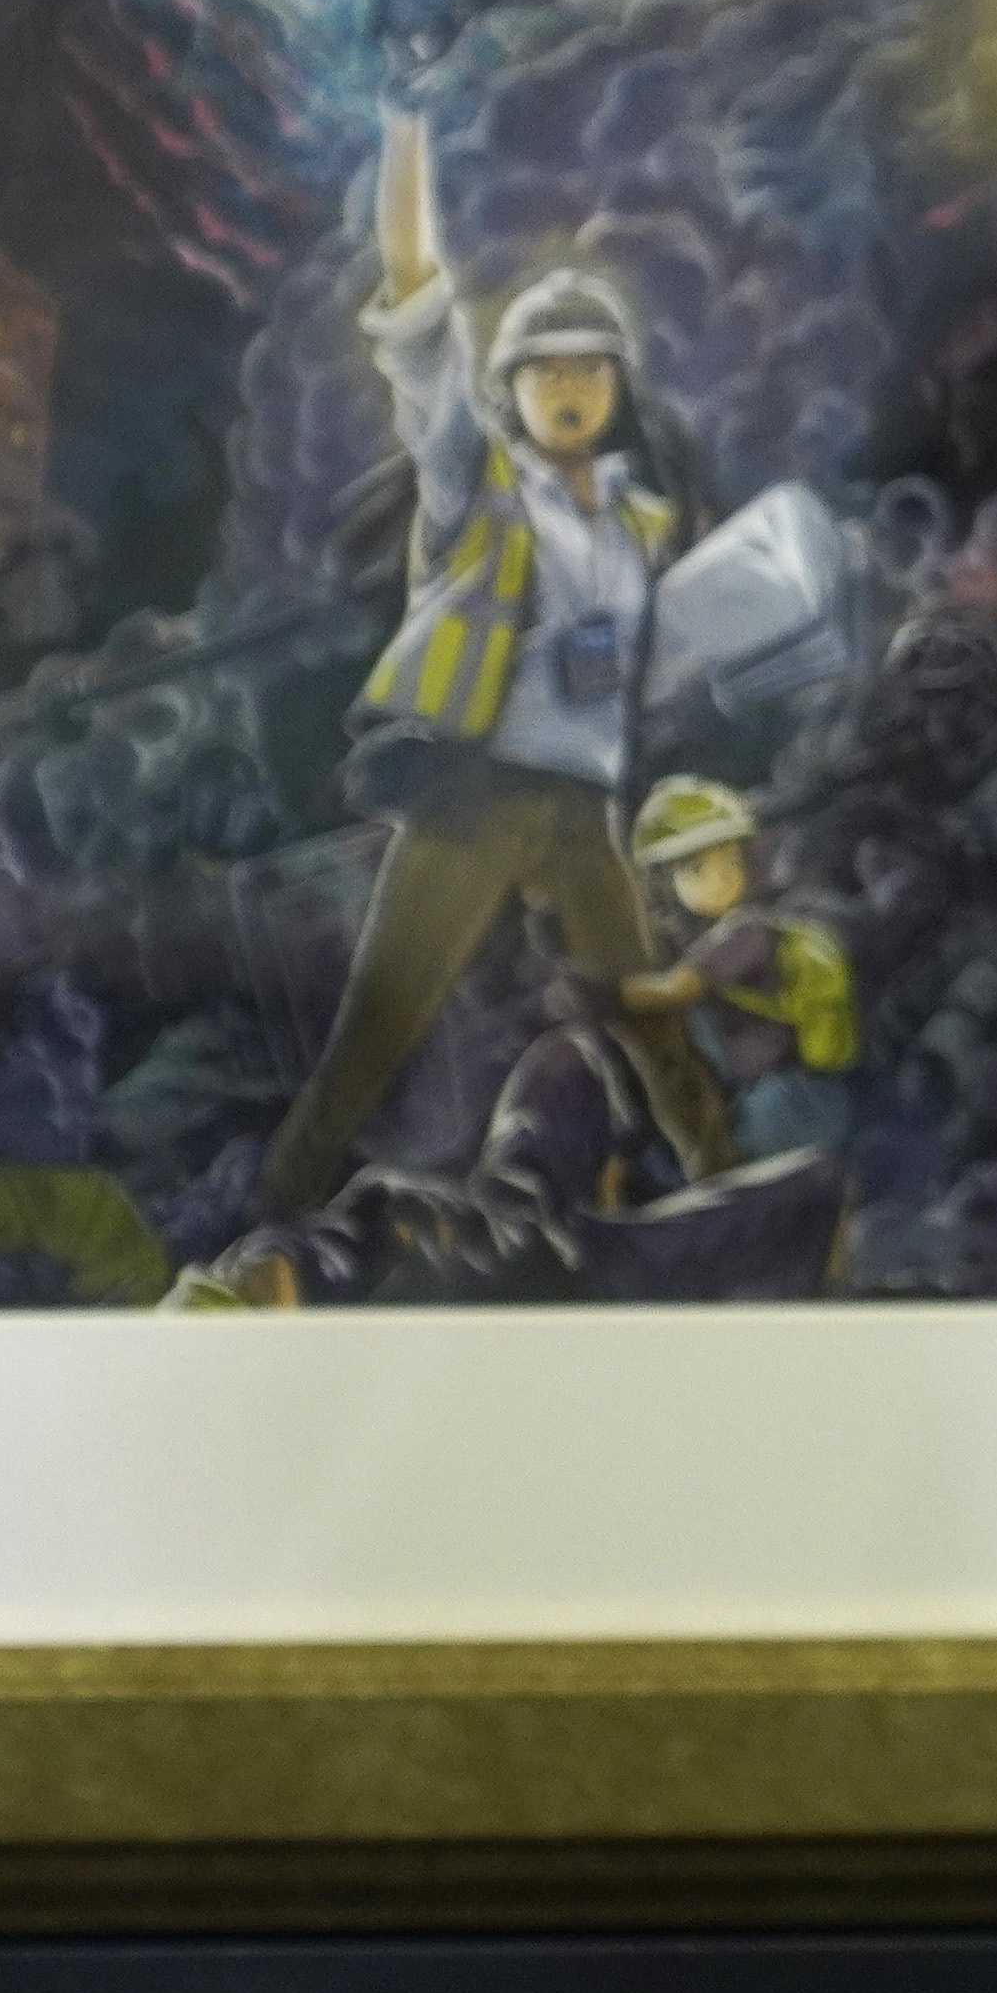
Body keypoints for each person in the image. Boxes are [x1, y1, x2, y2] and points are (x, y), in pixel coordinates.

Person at [244, 96, 739, 1229]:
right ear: (511, 387)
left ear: (614, 390)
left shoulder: (638, 522)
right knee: (379, 1024)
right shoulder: (474, 481)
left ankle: (733, 1196)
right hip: (470, 797)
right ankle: (269, 1222)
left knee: (650, 1019)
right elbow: (415, 295)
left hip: (580, 812)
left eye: (591, 370)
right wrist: (406, 118)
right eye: (545, 369)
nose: (569, 387)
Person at [616, 773, 863, 1168]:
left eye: (728, 862)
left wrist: (603, 994)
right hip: (773, 1101)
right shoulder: (703, 936)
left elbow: (676, 989)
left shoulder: (746, 930)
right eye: (697, 871)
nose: (720, 879)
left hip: (791, 1102)